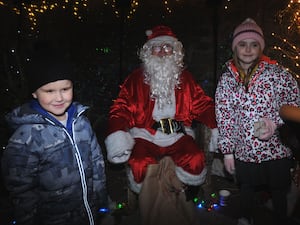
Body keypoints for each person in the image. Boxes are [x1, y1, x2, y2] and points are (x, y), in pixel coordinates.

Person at [104, 25, 218, 199]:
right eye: (157, 47)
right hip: (145, 134)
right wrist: (117, 133)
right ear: (149, 52)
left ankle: (183, 199)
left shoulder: (185, 78)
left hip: (177, 134)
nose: (163, 52)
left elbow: (202, 104)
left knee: (195, 159)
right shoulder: (135, 79)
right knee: (139, 164)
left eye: (167, 47)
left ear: (175, 51)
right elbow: (120, 108)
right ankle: (150, 203)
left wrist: (217, 124)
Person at [1, 50, 108, 225]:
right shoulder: (26, 136)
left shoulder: (81, 122)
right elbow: (21, 188)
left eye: (65, 89)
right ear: (35, 93)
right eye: (49, 91)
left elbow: (97, 162)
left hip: (88, 213)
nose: (59, 97)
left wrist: (100, 199)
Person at [215, 18, 300, 225]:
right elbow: (224, 115)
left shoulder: (277, 74)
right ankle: (246, 217)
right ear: (235, 47)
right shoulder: (227, 80)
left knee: (279, 189)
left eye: (254, 44)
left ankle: (281, 219)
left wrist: (274, 123)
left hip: (276, 149)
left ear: (260, 47)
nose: (248, 50)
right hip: (245, 150)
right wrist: (227, 151)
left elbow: (293, 103)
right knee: (247, 188)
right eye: (242, 44)